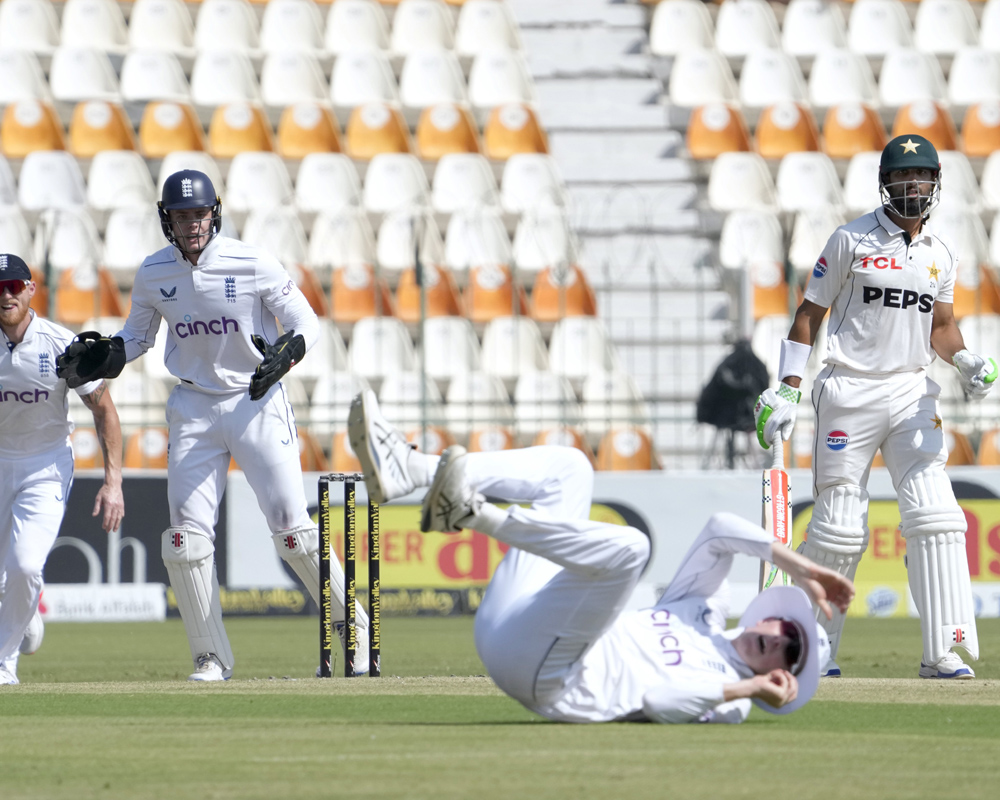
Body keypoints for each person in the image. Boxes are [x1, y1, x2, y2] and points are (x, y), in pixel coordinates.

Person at [348, 390, 855, 723]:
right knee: (570, 469)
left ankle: (471, 513)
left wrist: (745, 691)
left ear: (782, 677)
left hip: (551, 677)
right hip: (517, 622)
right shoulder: (703, 611)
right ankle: (410, 470)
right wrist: (803, 567)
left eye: (790, 650)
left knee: (632, 549)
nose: (775, 638)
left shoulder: (732, 700)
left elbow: (659, 701)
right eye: (785, 628)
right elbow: (720, 530)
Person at [55, 171, 369, 681]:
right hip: (194, 408)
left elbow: (306, 321)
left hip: (256, 399)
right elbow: (137, 339)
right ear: (167, 220)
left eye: (199, 214)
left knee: (292, 532)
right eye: (181, 216)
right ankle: (210, 656)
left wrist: (288, 354)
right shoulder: (154, 272)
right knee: (185, 539)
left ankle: (353, 633)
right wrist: (108, 353)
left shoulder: (251, 261)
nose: (192, 224)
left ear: (214, 213)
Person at [753, 134, 993, 680]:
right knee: (839, 525)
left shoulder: (941, 253)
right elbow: (808, 316)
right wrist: (789, 386)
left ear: (936, 183)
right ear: (885, 183)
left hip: (912, 392)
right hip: (848, 390)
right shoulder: (850, 240)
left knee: (937, 517)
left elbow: (942, 326)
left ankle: (945, 650)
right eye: (905, 178)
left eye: (924, 177)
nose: (915, 187)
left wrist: (964, 361)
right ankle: (814, 650)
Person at [0, 254, 124, 685]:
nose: (6, 295)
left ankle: (4, 662)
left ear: (31, 290)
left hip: (44, 464)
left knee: (26, 566)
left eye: (14, 286)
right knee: (8, 577)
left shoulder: (58, 343)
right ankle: (24, 618)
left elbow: (104, 410)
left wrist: (114, 482)